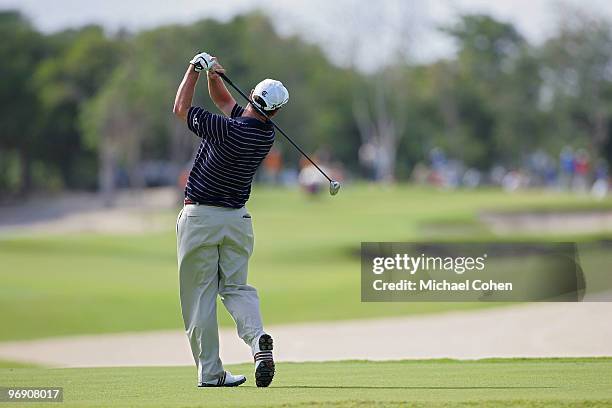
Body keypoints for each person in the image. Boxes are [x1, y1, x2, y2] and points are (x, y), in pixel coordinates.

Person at [172, 51, 289, 388]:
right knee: (236, 288)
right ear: (276, 111)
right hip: (237, 221)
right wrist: (214, 77)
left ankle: (211, 372)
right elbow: (225, 102)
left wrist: (193, 70)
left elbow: (180, 109)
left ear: (251, 95)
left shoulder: (225, 129)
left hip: (200, 218)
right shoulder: (264, 135)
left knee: (200, 297)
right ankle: (257, 342)